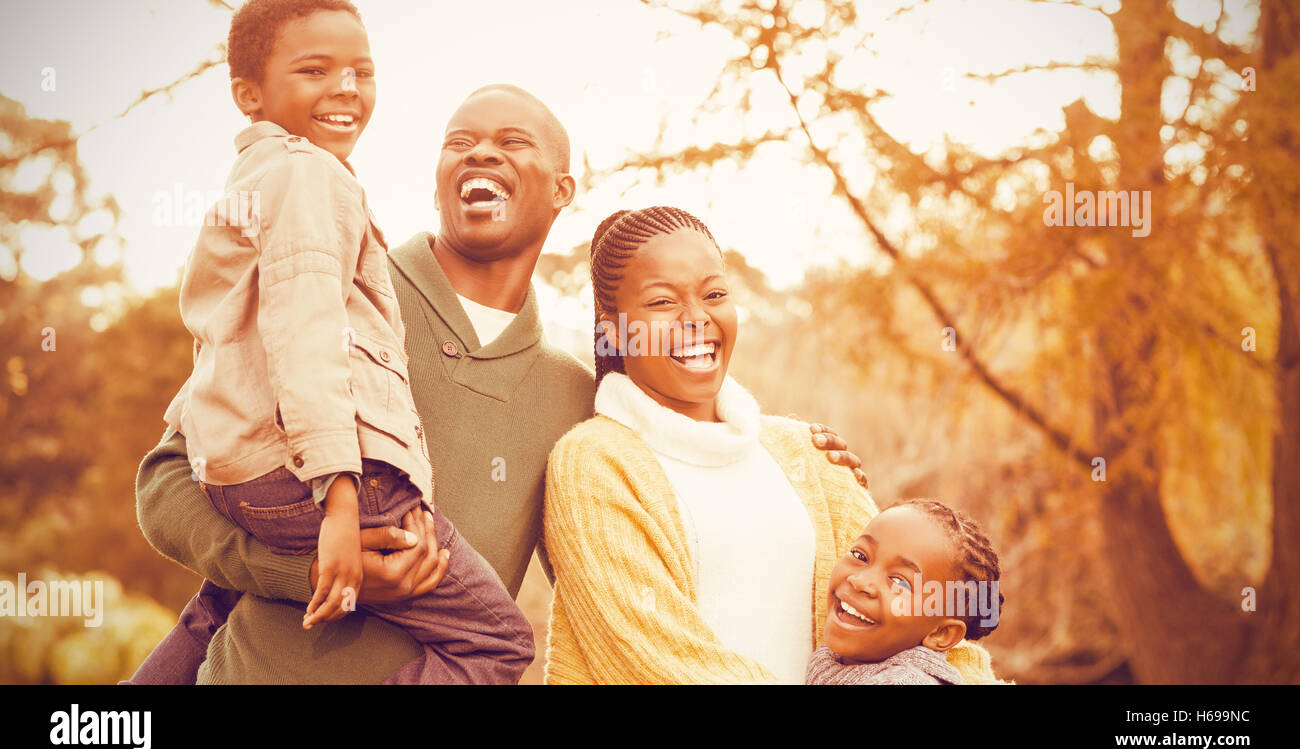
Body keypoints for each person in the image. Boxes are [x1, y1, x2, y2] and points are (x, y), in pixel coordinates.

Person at [131, 67, 869, 682]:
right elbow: (167, 483)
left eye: (512, 143)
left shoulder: (576, 401)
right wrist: (315, 570)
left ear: (562, 189)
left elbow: (658, 532)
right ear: (439, 179)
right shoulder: (330, 303)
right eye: (461, 143)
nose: (482, 155)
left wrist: (786, 452)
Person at [147, 0, 535, 684]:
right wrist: (336, 507)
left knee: (217, 600)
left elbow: (233, 358)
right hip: (325, 483)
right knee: (500, 641)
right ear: (249, 94)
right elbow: (303, 340)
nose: (347, 88)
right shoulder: (310, 177)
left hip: (250, 480)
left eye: (362, 71)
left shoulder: (565, 386)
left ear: (565, 187)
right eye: (315, 69)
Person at [543, 206, 1002, 684]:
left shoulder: (807, 454)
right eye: (662, 302)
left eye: (714, 293)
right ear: (612, 326)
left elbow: (922, 627)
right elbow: (653, 660)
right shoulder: (594, 464)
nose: (696, 319)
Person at [807, 499, 1005, 685]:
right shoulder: (836, 658)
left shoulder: (905, 680)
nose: (860, 582)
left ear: (941, 633)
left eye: (899, 582)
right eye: (861, 556)